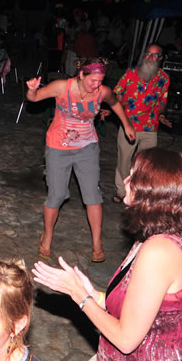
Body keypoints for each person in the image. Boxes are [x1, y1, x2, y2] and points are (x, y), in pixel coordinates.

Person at [33, 147, 182, 361]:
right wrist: (94, 293)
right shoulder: (147, 241)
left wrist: (80, 297)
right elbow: (134, 310)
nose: (125, 179)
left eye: (134, 177)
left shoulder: (160, 252)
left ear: (151, 192)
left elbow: (126, 338)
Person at [25, 58, 136, 263]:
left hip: (88, 147)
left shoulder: (102, 92)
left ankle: (97, 244)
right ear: (81, 75)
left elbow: (115, 103)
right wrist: (31, 89)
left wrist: (126, 124)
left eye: (100, 80)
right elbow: (34, 98)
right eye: (93, 80)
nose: (97, 85)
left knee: (93, 195)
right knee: (56, 195)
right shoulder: (61, 87)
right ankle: (48, 235)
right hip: (58, 147)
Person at [112, 44, 171, 203]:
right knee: (124, 159)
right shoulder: (131, 73)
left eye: (155, 55)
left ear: (160, 59)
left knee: (146, 163)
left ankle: (139, 194)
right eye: (148, 54)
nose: (151, 58)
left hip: (150, 127)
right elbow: (117, 93)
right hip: (128, 124)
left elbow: (163, 102)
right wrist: (116, 111)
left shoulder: (164, 78)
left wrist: (162, 115)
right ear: (144, 55)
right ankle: (122, 191)